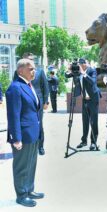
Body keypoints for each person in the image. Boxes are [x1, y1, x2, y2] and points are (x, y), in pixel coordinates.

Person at [6, 59, 44, 207]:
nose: (34, 71)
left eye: (34, 68)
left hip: (33, 133)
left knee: (31, 164)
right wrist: (16, 138)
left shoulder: (29, 85)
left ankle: (29, 189)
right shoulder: (15, 88)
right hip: (22, 135)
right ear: (20, 70)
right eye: (30, 69)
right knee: (22, 166)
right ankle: (21, 195)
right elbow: (13, 115)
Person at [67, 59, 101, 150]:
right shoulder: (78, 71)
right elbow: (67, 76)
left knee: (93, 121)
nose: (80, 66)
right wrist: (69, 69)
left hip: (93, 99)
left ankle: (93, 142)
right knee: (85, 120)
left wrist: (83, 73)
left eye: (81, 64)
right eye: (79, 64)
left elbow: (92, 82)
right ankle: (84, 141)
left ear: (86, 64)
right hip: (85, 99)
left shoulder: (92, 70)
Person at [19, 53, 49, 156]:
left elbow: (45, 87)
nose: (31, 61)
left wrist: (46, 101)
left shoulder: (40, 72)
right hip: (24, 103)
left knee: (39, 124)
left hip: (38, 103)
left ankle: (40, 147)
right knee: (26, 124)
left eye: (32, 59)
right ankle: (28, 146)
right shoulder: (19, 72)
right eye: (28, 59)